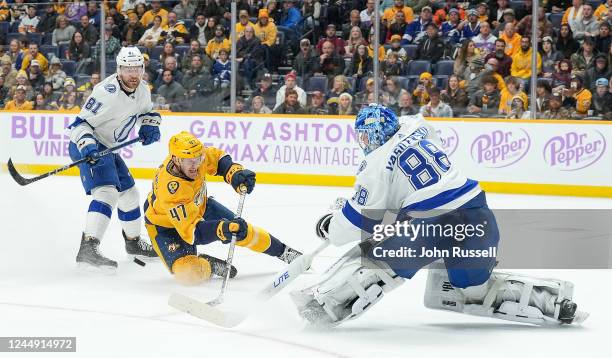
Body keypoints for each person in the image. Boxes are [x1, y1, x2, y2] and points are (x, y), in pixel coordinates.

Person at [291, 105, 586, 327]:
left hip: (428, 226)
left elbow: (358, 224)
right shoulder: (415, 125)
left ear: (373, 136)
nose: (363, 142)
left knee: (375, 259)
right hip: (478, 216)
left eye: (364, 136)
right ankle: (550, 303)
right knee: (473, 291)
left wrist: (329, 225)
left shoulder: (374, 165)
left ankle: (325, 303)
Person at [143, 132, 302, 285]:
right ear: (176, 160)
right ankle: (209, 265)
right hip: (164, 226)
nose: (196, 165)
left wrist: (234, 173)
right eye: (189, 161)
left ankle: (284, 252)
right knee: (188, 274)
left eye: (198, 159)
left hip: (199, 207)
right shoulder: (171, 190)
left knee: (242, 231)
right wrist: (221, 229)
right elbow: (194, 233)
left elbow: (217, 158)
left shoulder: (193, 157)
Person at [67, 47, 160, 270]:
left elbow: (147, 112)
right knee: (107, 193)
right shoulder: (106, 92)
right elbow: (79, 126)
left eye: (137, 68)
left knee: (129, 194)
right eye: (128, 69)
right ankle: (88, 249)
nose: (133, 74)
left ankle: (133, 243)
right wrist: (88, 147)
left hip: (108, 148)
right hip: (88, 145)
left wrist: (149, 126)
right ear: (119, 69)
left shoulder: (143, 89)